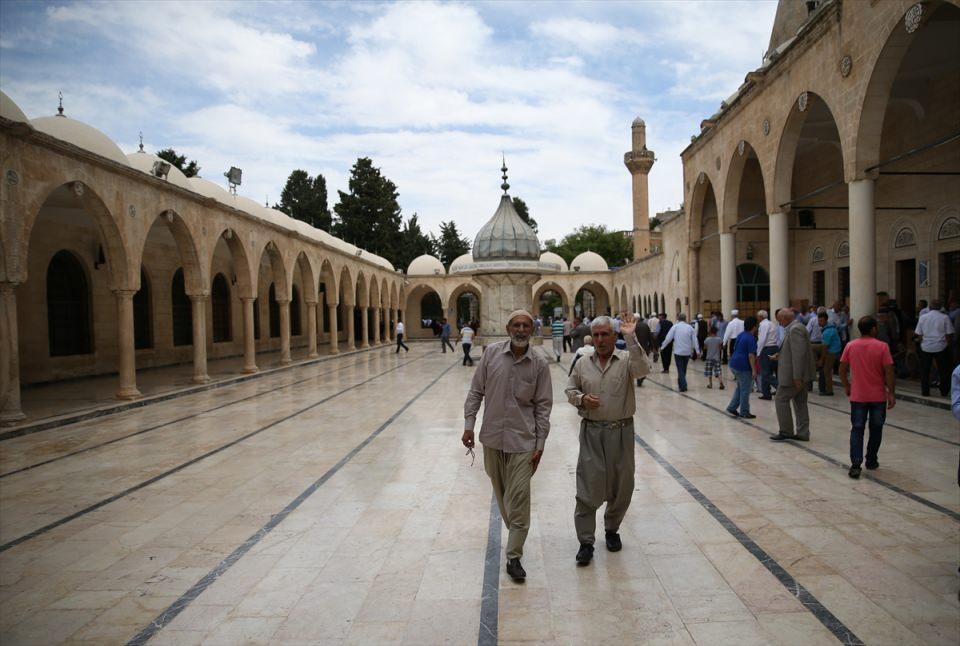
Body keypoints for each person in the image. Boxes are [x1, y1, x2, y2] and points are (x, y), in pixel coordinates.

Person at [462, 310, 552, 582]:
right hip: (492, 438)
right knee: (503, 496)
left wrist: (540, 443)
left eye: (526, 325)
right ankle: (516, 531)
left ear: (532, 328)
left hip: (523, 441)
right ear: (508, 327)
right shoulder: (491, 355)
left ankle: (514, 555)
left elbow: (543, 406)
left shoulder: (539, 363)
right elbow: (477, 390)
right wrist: (469, 424)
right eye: (517, 325)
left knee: (520, 497)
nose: (521, 329)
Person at [565, 315, 649, 566]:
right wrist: (581, 400)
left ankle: (612, 529)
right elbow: (570, 390)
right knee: (587, 486)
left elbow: (643, 369)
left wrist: (631, 337)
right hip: (591, 432)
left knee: (622, 485)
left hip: (622, 431)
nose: (600, 340)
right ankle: (586, 542)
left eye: (605, 334)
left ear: (614, 336)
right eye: (597, 335)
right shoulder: (582, 363)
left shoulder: (626, 360)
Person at [839, 316, 895, 479]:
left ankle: (856, 464)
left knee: (857, 429)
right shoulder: (882, 347)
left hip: (858, 396)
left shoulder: (851, 345)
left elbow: (842, 368)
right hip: (878, 396)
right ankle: (871, 460)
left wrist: (846, 386)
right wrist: (891, 393)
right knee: (876, 428)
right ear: (873, 329)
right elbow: (889, 371)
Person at [771, 308, 816, 441]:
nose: (780, 324)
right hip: (798, 375)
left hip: (792, 376)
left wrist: (797, 376)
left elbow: (799, 355)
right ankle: (803, 432)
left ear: (785, 319)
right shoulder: (797, 328)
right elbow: (793, 351)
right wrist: (780, 356)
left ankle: (786, 431)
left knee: (781, 399)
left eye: (780, 321)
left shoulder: (795, 329)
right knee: (800, 402)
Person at [914, 300, 954, 397]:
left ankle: (925, 392)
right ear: (940, 308)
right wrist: (948, 344)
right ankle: (944, 392)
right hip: (941, 347)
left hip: (926, 347)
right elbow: (949, 334)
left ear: (930, 307)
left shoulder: (923, 317)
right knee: (943, 370)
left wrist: (921, 342)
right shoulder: (945, 317)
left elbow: (918, 334)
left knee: (925, 370)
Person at [726, 316, 758, 419]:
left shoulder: (740, 335)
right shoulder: (751, 338)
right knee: (745, 389)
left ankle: (732, 407)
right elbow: (751, 355)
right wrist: (754, 370)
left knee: (740, 387)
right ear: (754, 327)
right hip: (743, 366)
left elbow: (735, 347)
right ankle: (744, 411)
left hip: (734, 364)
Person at [660, 312, 699, 392]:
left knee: (680, 369)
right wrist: (697, 350)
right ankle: (681, 384)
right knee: (683, 369)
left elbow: (668, 338)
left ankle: (683, 385)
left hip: (678, 352)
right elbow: (695, 340)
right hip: (687, 352)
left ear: (678, 318)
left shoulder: (675, 327)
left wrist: (663, 346)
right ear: (685, 319)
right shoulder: (690, 328)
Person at [757, 310, 779, 400]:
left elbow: (762, 339)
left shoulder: (763, 325)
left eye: (758, 316)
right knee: (767, 371)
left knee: (765, 373)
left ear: (761, 317)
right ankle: (766, 393)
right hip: (774, 348)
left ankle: (780, 387)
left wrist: (758, 352)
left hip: (767, 349)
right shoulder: (772, 323)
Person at [632, 313, 653, 387]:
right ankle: (642, 377)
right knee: (643, 363)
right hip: (645, 348)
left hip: (635, 348)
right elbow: (650, 336)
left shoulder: (633, 326)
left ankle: (640, 378)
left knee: (638, 364)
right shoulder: (645, 325)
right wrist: (651, 346)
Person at [703, 325, 724, 390]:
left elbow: (705, 348)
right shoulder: (719, 339)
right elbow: (720, 348)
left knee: (709, 371)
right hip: (717, 357)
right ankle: (721, 382)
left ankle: (710, 384)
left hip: (709, 357)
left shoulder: (707, 339)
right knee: (718, 371)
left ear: (710, 331)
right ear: (716, 332)